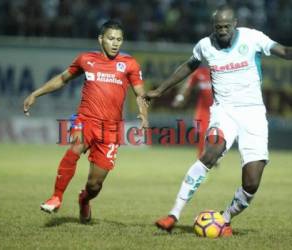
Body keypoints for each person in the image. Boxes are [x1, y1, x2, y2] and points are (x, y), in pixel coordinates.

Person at [145, 5, 292, 235]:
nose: (222, 31)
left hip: (253, 115)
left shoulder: (253, 38)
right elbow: (188, 66)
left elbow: (283, 51)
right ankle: (173, 213)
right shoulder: (205, 45)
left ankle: (224, 219)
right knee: (210, 152)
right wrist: (161, 90)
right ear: (213, 26)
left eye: (226, 27)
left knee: (252, 182)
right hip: (224, 112)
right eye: (218, 27)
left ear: (235, 24)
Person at [23, 20, 148, 223]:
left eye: (119, 39)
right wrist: (36, 94)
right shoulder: (86, 59)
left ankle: (84, 200)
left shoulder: (129, 64)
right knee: (74, 148)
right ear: (101, 39)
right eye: (111, 38)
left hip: (111, 129)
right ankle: (56, 197)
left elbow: (140, 93)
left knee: (95, 185)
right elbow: (62, 79)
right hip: (85, 119)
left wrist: (144, 113)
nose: (115, 43)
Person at [171, 67, 212, 157]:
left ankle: (214, 155)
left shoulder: (222, 72)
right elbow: (188, 86)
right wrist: (180, 98)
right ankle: (202, 157)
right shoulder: (199, 72)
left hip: (219, 109)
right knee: (202, 132)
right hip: (203, 110)